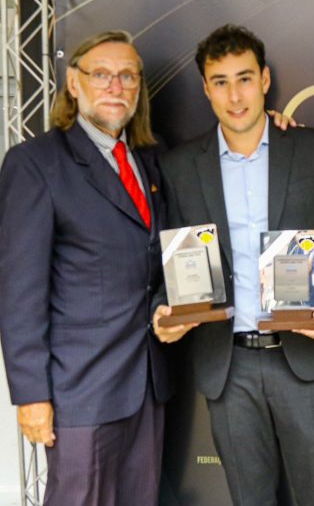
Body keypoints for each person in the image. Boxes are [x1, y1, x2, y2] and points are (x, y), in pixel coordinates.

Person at [0, 30, 295, 506]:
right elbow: (19, 293)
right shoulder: (36, 164)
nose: (115, 87)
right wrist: (31, 396)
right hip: (81, 390)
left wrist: (270, 127)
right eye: (101, 75)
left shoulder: (152, 159)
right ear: (73, 83)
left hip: (149, 383)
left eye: (128, 76)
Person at [153, 24, 314, 505]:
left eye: (244, 79)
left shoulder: (312, 150)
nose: (235, 96)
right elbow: (174, 260)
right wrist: (163, 311)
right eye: (221, 82)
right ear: (206, 89)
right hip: (228, 367)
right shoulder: (180, 167)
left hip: (303, 359)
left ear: (265, 80)